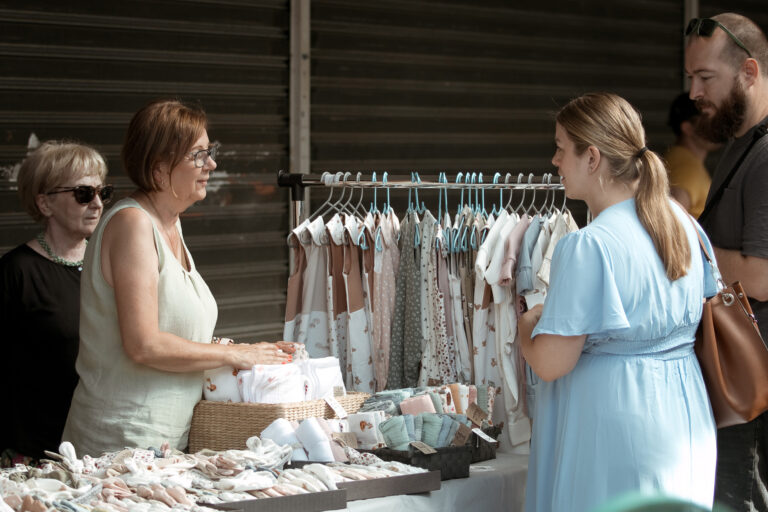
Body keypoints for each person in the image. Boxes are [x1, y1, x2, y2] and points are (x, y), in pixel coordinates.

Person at [62, 99, 300, 457]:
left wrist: (247, 353)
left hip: (163, 440)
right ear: (159, 169)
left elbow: (174, 333)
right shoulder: (133, 224)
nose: (211, 164)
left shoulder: (171, 223)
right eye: (199, 155)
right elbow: (144, 344)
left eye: (210, 152)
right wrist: (237, 354)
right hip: (121, 442)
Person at [517, 92, 717, 512]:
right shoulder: (683, 223)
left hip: (615, 422)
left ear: (592, 157)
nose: (555, 160)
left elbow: (552, 363)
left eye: (560, 148)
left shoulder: (589, 245)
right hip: (686, 415)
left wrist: (527, 326)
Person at [685, 13, 768, 512]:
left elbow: (762, 275)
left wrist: (684, 241)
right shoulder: (742, 144)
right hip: (739, 383)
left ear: (749, 71)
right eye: (690, 77)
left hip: (752, 391)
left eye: (705, 77)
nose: (694, 92)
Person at [0, 141, 110, 466]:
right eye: (83, 193)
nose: (97, 204)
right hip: (36, 454)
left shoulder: (109, 264)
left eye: (103, 192)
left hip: (102, 448)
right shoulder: (16, 271)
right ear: (45, 203)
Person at [663, 92, 717, 217]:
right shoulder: (687, 167)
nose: (716, 125)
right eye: (707, 119)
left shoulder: (679, 158)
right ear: (687, 128)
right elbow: (672, 220)